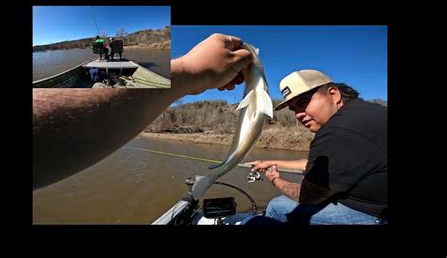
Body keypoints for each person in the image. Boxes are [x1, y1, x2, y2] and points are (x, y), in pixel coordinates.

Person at [33, 33, 252, 190]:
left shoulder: (103, 45)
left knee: (102, 63)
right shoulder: (113, 44)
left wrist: (192, 73)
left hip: (107, 57)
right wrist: (189, 71)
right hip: (114, 57)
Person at [242, 69, 387, 225]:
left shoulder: (336, 132)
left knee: (276, 207)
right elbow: (324, 165)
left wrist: (275, 180)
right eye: (294, 109)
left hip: (375, 216)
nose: (298, 114)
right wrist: (271, 162)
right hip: (378, 205)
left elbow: (307, 196)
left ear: (333, 94)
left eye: (303, 103)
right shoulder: (364, 114)